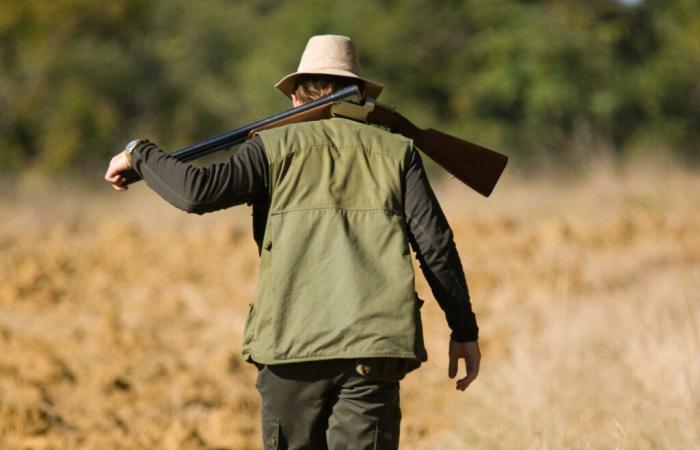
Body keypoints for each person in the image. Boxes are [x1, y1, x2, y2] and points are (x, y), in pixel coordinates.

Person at [105, 34, 481, 450]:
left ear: (296, 99)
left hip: (290, 346)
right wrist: (463, 329)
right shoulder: (398, 153)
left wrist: (139, 151)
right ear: (358, 95)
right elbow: (436, 247)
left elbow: (195, 191)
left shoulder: (270, 147)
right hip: (373, 352)